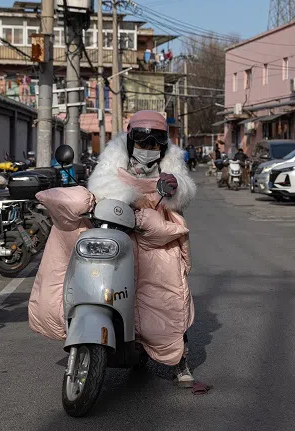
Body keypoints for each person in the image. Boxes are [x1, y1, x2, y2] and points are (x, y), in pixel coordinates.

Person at [28, 110, 197, 387]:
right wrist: (119, 204)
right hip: (117, 227)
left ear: (164, 143)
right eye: (142, 141)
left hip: (154, 235)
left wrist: (174, 188)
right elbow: (100, 185)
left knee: (169, 294)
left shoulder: (172, 160)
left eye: (155, 142)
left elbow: (182, 196)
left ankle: (180, 361)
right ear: (131, 139)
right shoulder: (114, 153)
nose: (148, 148)